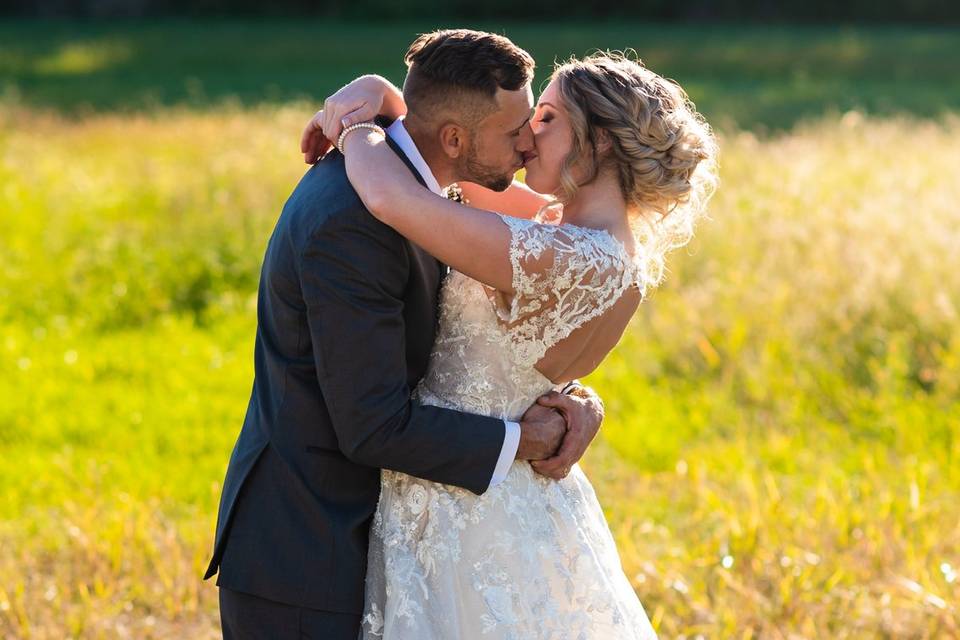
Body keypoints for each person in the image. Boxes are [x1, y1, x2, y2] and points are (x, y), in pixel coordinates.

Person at [300, 35, 718, 640]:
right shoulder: (583, 238)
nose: (526, 136)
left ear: (598, 141)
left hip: (462, 504)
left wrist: (353, 129)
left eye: (545, 119)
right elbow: (454, 170)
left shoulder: (564, 253)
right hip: (503, 491)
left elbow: (394, 196)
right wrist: (382, 94)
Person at [205, 29, 606, 640]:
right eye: (514, 130)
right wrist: (526, 439)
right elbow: (373, 424)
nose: (527, 144)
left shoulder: (418, 185)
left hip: (389, 543)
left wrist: (575, 399)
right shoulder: (354, 222)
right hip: (308, 552)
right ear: (454, 138)